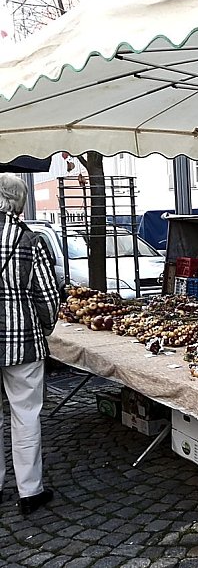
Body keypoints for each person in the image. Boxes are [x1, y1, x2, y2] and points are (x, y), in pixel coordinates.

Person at [0, 174, 61, 515]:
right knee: (25, 415)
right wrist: (45, 326)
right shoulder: (29, 240)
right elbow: (48, 296)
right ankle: (29, 492)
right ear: (18, 202)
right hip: (22, 342)